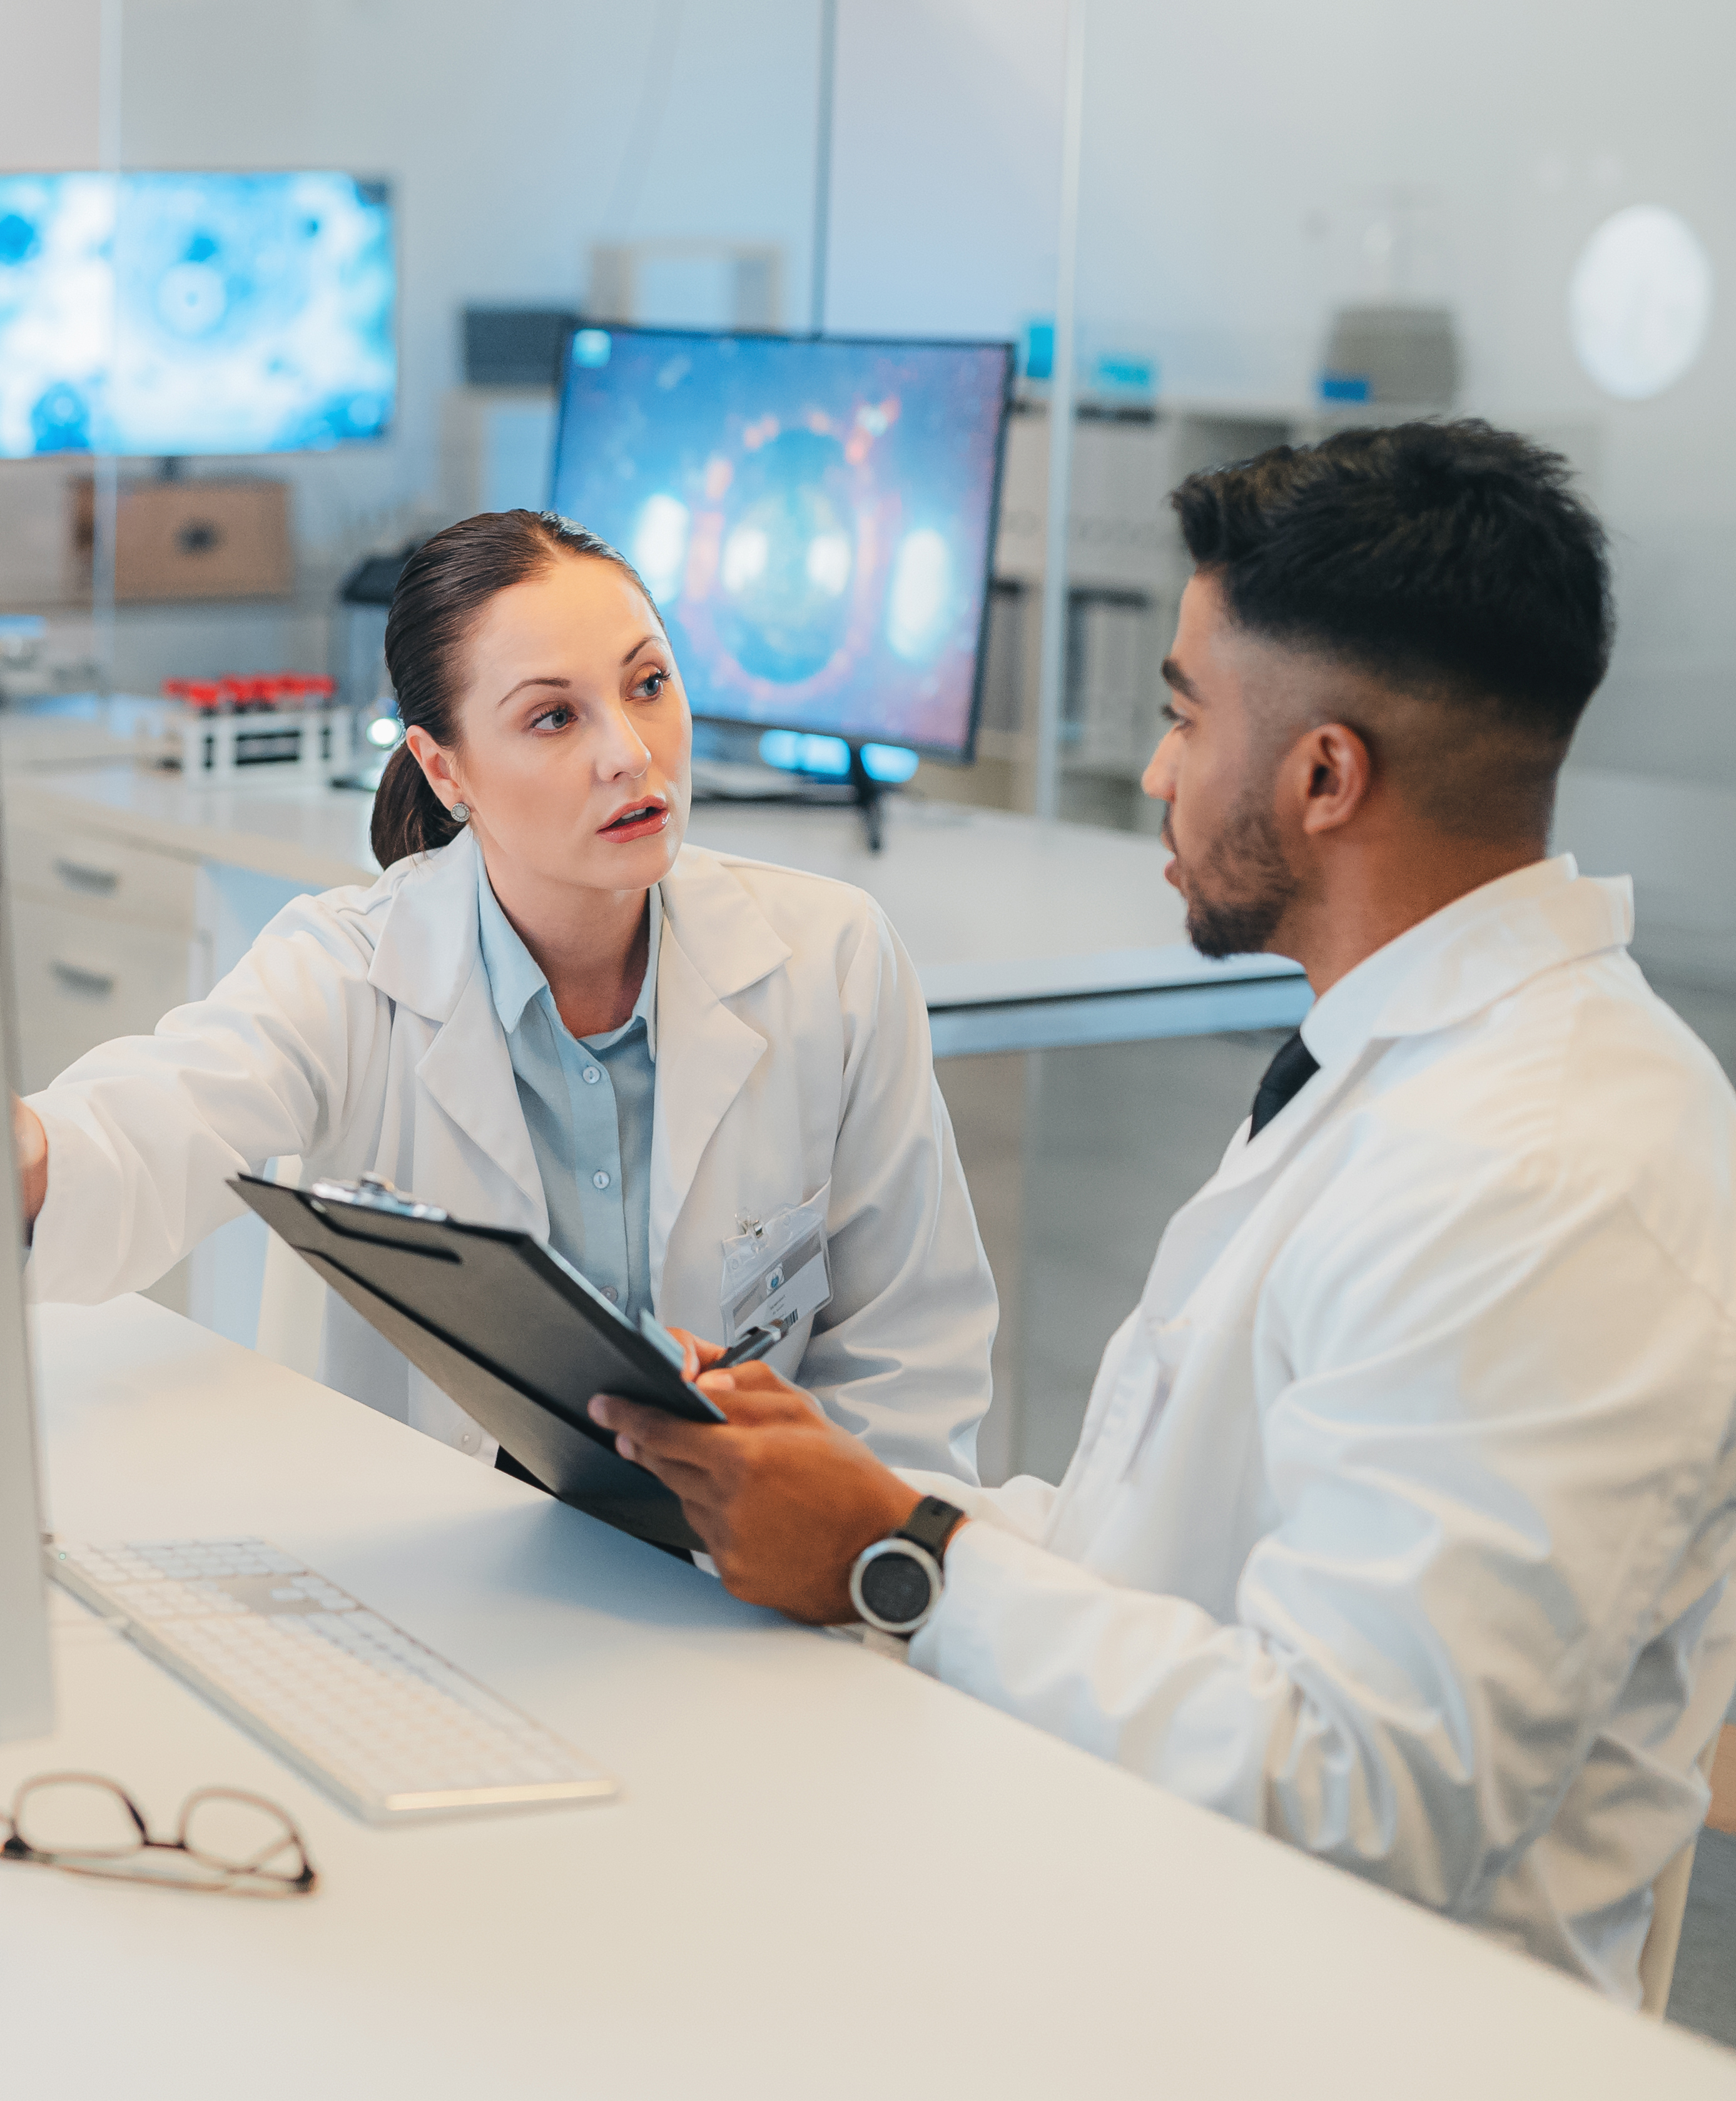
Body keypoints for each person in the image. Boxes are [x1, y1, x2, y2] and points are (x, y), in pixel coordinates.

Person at [591, 420, 1736, 2000]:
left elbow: (1367, 1792)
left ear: (1323, 774)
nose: (1151, 770)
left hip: (1337, 2022)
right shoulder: (1399, 1063)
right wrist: (845, 1490)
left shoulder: (1544, 1171)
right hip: (1150, 1912)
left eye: (1183, 714)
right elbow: (1164, 1559)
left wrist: (900, 1554)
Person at [14, 509, 996, 1478]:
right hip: (432, 1585)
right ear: (445, 771)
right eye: (553, 716)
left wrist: (856, 1570)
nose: (628, 752)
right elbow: (148, 1125)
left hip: (746, 1596)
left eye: (647, 684)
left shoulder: (832, 961)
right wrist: (12, 1155)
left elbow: (907, 1359)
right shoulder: (351, 974)